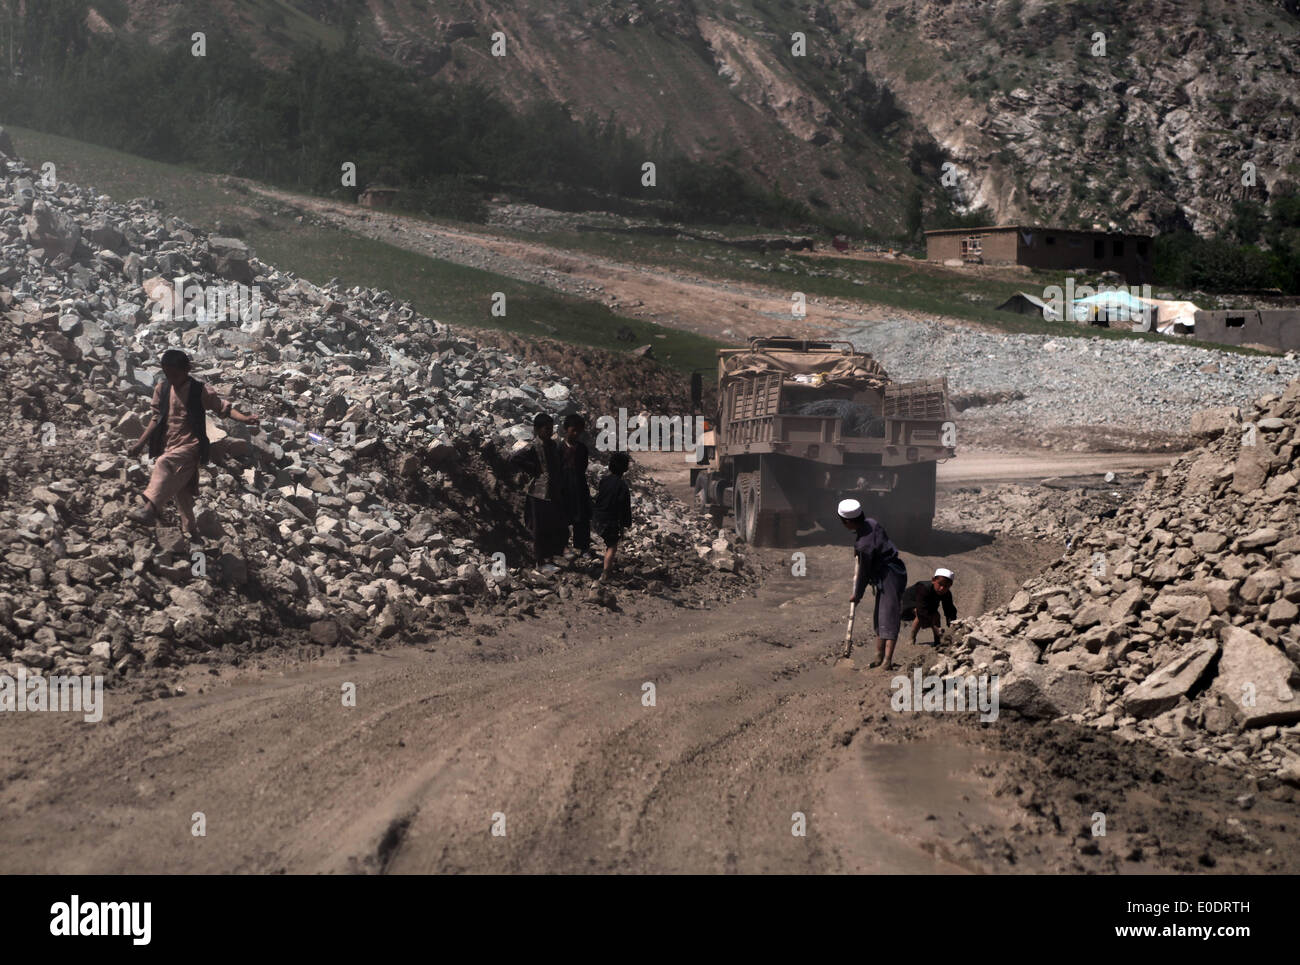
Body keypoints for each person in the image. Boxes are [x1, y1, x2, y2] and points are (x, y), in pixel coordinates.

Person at [126, 349, 259, 541]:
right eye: (168, 374)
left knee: (164, 463)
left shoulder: (200, 390)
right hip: (171, 444)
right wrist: (140, 444)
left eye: (176, 374)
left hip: (192, 446)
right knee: (183, 494)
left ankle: (149, 509)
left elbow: (223, 409)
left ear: (187, 369)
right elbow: (156, 418)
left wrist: (246, 419)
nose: (172, 378)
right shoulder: (162, 389)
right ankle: (193, 533)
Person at [838, 498, 907, 671]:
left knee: (889, 617)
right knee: (880, 616)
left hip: (889, 575)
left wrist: (857, 594)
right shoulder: (871, 523)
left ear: (847, 522)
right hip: (890, 573)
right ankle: (878, 657)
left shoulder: (864, 545)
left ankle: (887, 661)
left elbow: (863, 573)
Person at [510, 413, 569, 573]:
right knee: (540, 528)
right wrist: (534, 469)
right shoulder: (533, 446)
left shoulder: (553, 445)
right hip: (538, 493)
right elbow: (515, 459)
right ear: (537, 429)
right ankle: (540, 562)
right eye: (546, 428)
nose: (549, 431)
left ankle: (550, 558)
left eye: (551, 428)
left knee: (552, 526)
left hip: (553, 492)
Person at [591, 451, 632, 583]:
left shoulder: (604, 480)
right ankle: (605, 574)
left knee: (607, 541)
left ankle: (602, 566)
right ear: (625, 468)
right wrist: (625, 525)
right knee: (612, 546)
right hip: (610, 520)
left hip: (597, 517)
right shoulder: (623, 486)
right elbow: (624, 508)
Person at [558, 413, 593, 560]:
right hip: (563, 486)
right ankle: (563, 546)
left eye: (579, 431)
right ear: (566, 429)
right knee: (562, 516)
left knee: (582, 517)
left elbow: (583, 467)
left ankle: (583, 547)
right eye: (574, 430)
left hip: (579, 485)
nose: (576, 434)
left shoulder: (582, 448)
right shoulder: (558, 448)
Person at [901, 568, 957, 647]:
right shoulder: (923, 588)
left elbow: (949, 609)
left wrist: (952, 624)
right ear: (933, 580)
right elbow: (921, 610)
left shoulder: (946, 593)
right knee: (919, 614)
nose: (942, 588)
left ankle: (938, 641)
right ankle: (912, 638)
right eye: (940, 584)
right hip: (908, 603)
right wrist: (934, 626)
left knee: (936, 615)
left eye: (946, 586)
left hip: (926, 605)